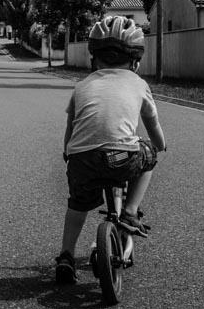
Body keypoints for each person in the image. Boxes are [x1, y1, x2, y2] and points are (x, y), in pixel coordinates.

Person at [55, 16, 166, 284]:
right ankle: (130, 211)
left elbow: (71, 125)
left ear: (94, 59)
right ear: (135, 61)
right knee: (148, 155)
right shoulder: (139, 84)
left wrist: (68, 152)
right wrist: (160, 145)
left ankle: (66, 256)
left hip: (83, 160)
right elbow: (152, 123)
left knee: (78, 205)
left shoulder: (81, 86)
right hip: (122, 157)